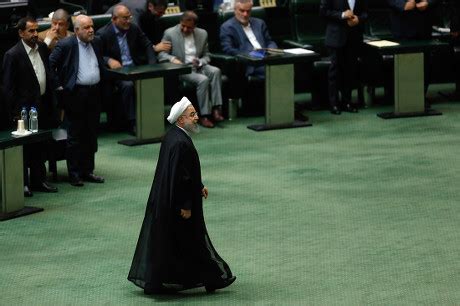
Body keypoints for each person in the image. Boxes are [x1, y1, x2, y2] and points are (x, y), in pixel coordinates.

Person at [128, 96, 236, 295]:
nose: (196, 117)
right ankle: (213, 278)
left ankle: (162, 282)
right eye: (192, 114)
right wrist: (186, 205)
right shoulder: (180, 142)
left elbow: (184, 172)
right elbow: (181, 178)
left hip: (169, 201)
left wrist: (199, 186)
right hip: (179, 205)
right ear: (180, 120)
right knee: (192, 241)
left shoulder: (173, 137)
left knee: (177, 242)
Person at [2, 16, 58, 196]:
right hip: (23, 111)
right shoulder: (12, 55)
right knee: (24, 148)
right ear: (20, 33)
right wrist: (14, 113)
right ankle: (24, 183)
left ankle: (39, 180)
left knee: (40, 145)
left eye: (36, 30)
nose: (35, 34)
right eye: (30, 31)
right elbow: (8, 88)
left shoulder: (42, 48)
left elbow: (46, 74)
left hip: (42, 105)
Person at [49, 15, 105, 187]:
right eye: (86, 27)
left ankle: (88, 170)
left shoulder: (97, 42)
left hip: (94, 93)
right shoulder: (66, 45)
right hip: (76, 95)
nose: (91, 30)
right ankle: (74, 173)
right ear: (77, 30)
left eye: (92, 26)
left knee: (91, 133)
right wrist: (59, 86)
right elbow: (50, 64)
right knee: (75, 135)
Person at [97, 4, 156, 133]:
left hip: (135, 68)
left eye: (129, 17)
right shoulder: (103, 33)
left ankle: (152, 119)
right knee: (128, 85)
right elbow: (97, 55)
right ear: (114, 19)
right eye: (125, 18)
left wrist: (152, 66)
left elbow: (147, 44)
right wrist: (108, 60)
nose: (128, 21)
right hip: (117, 73)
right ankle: (133, 122)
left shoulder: (133, 28)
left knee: (151, 80)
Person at [158, 11, 223, 128]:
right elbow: (161, 55)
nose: (185, 29)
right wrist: (173, 59)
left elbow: (207, 55)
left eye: (189, 27)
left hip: (199, 65)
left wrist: (201, 61)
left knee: (215, 71)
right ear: (180, 22)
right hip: (183, 68)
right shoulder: (170, 33)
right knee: (203, 80)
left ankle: (216, 108)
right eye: (183, 26)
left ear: (195, 26)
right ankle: (205, 115)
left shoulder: (202, 34)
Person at [387, 0, 439, 108]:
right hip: (402, 26)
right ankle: (402, 98)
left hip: (423, 26)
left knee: (425, 63)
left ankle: (420, 97)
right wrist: (402, 5)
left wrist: (428, 3)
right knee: (403, 64)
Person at [320, 0, 368, 115]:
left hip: (354, 37)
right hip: (336, 36)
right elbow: (323, 12)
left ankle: (347, 102)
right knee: (335, 71)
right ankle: (334, 104)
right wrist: (342, 15)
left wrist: (359, 19)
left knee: (350, 70)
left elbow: (366, 13)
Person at [220, 0, 277, 78]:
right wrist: (249, 55)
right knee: (274, 71)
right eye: (242, 11)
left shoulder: (260, 23)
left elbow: (269, 41)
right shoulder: (227, 27)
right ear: (235, 10)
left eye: (248, 11)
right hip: (251, 64)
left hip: (267, 58)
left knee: (286, 66)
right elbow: (228, 49)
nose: (245, 14)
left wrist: (272, 49)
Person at [106, 0, 171, 52]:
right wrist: (154, 48)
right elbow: (135, 33)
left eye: (163, 12)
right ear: (150, 6)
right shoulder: (137, 11)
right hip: (110, 23)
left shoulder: (150, 7)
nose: (162, 15)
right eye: (160, 12)